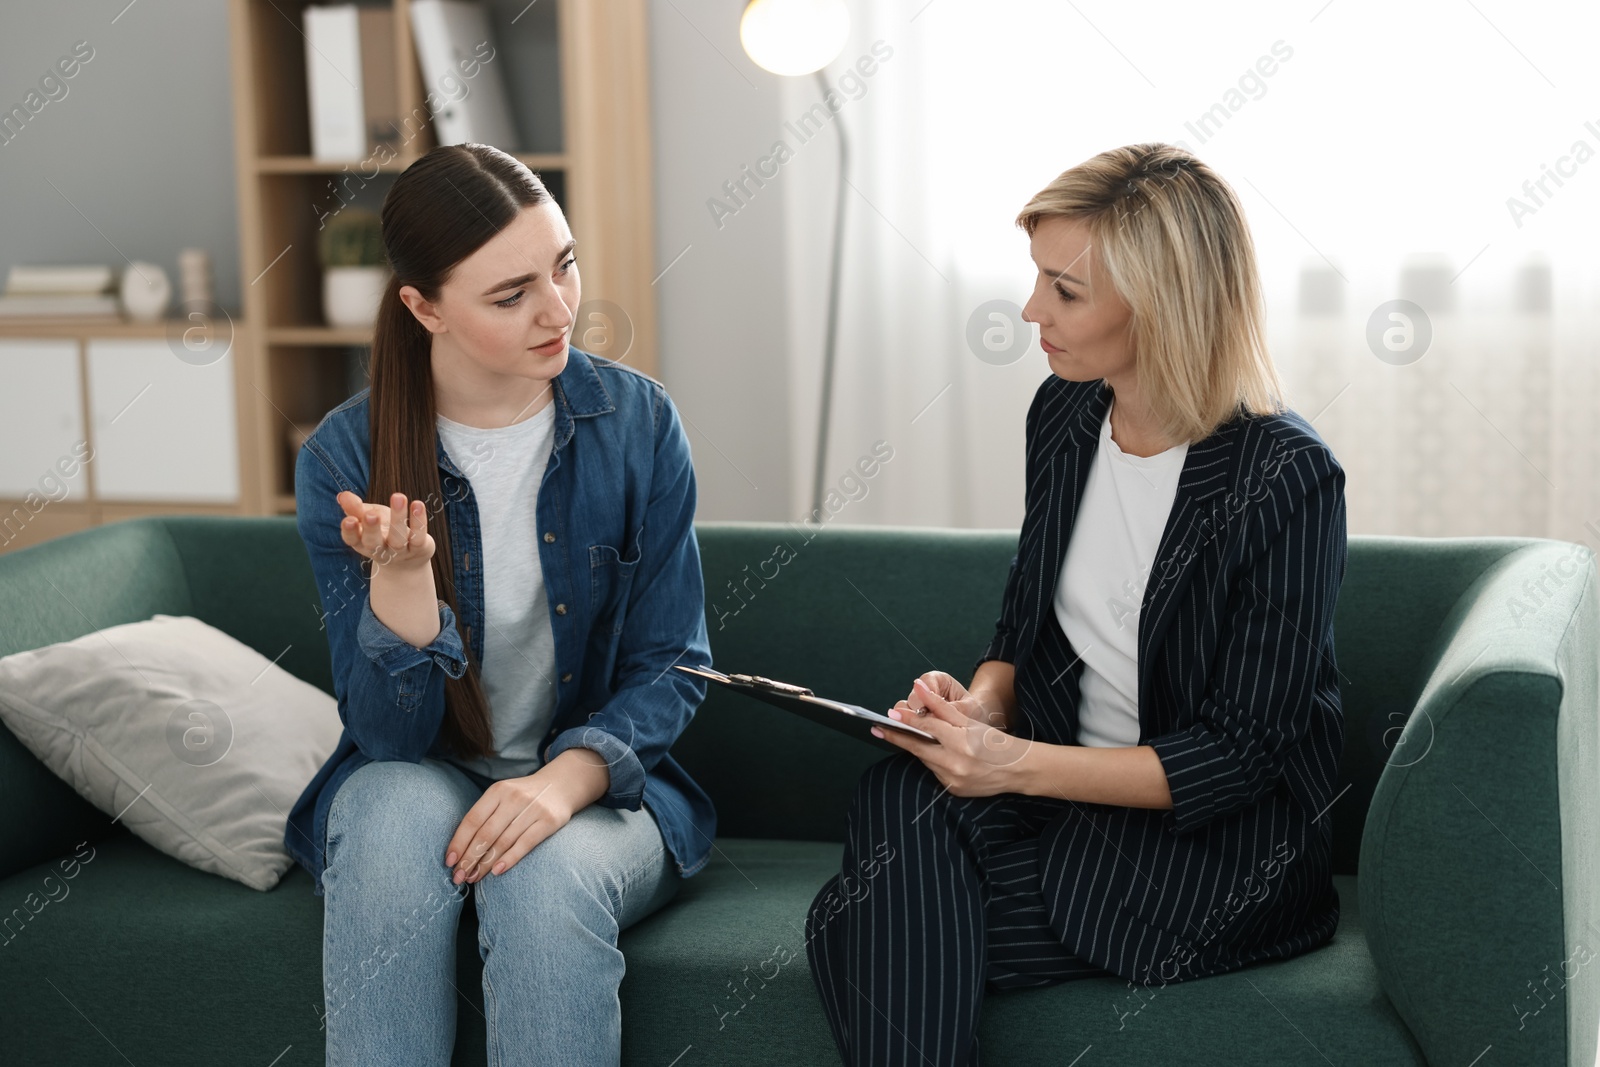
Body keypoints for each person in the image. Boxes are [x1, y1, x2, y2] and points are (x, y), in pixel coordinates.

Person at [804, 142, 1348, 1066]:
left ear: (1162, 304)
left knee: (850, 923)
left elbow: (1238, 754)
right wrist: (979, 706)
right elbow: (1022, 626)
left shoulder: (1287, 475)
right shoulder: (1064, 415)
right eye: (1036, 280)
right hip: (1064, 799)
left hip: (1209, 847)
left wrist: (1010, 765)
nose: (1029, 312)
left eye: (1065, 290)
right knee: (899, 781)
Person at [282, 142, 718, 1066]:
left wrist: (563, 781)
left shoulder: (637, 423)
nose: (561, 310)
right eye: (511, 294)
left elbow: (673, 660)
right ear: (424, 306)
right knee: (390, 815)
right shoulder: (342, 459)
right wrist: (403, 593)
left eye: (563, 265)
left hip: (598, 789)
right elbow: (390, 738)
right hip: (426, 771)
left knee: (540, 877)